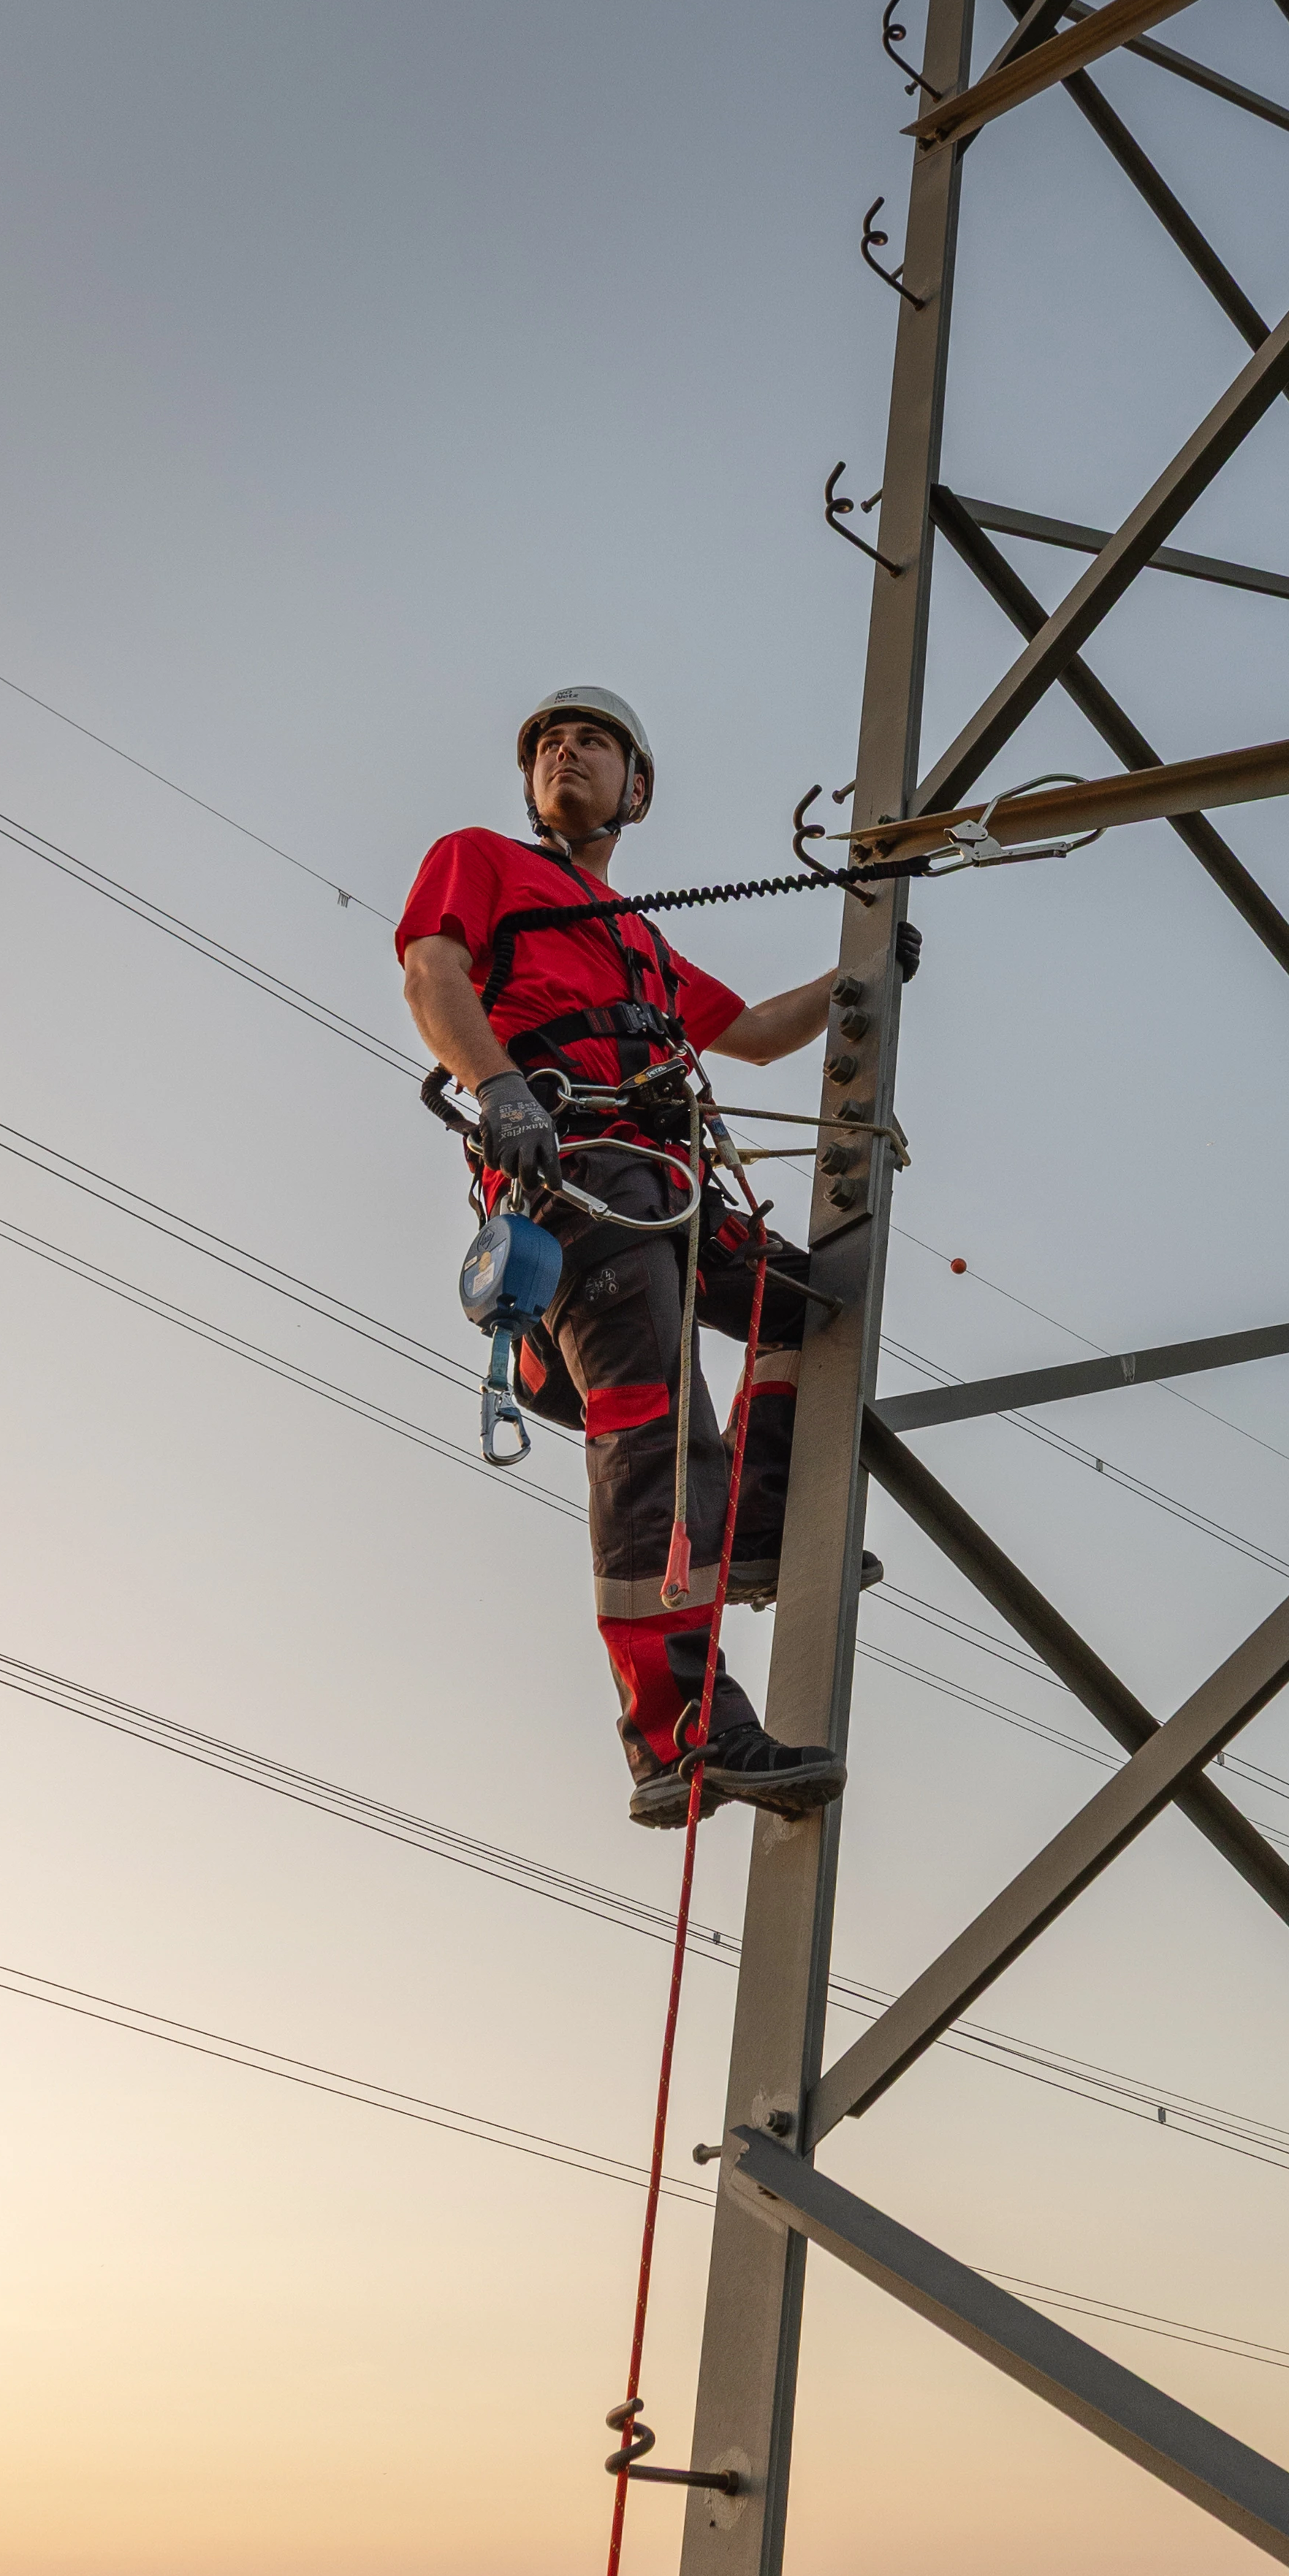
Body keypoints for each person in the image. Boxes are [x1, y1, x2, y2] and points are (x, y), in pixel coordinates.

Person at [398, 690, 851, 1831]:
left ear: (635, 789)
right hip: (576, 1170)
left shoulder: (638, 934)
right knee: (652, 1424)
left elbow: (748, 1033)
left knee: (809, 1303)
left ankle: (750, 1527)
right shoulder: (483, 859)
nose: (566, 752)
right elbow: (433, 976)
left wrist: (855, 986)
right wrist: (500, 1087)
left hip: (667, 1178)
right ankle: (679, 1736)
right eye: (550, 743)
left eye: (592, 741)